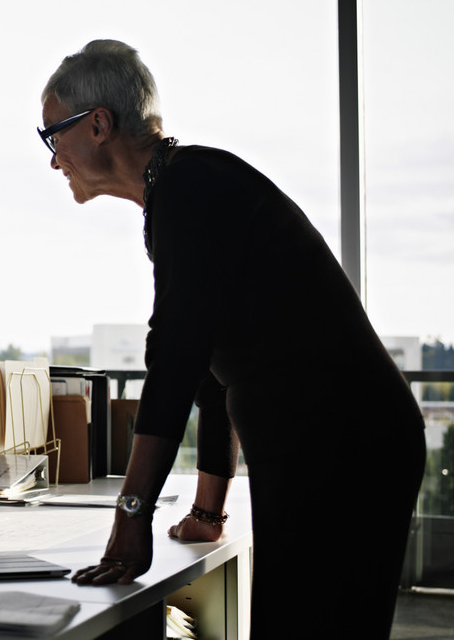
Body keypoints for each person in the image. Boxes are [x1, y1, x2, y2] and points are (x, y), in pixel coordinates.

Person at [37, 39, 425, 638]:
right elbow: (211, 368)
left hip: (340, 446)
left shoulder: (190, 189)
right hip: (329, 442)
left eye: (51, 136)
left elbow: (175, 358)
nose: (53, 160)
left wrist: (132, 514)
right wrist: (207, 511)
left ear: (97, 125)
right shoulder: (181, 187)